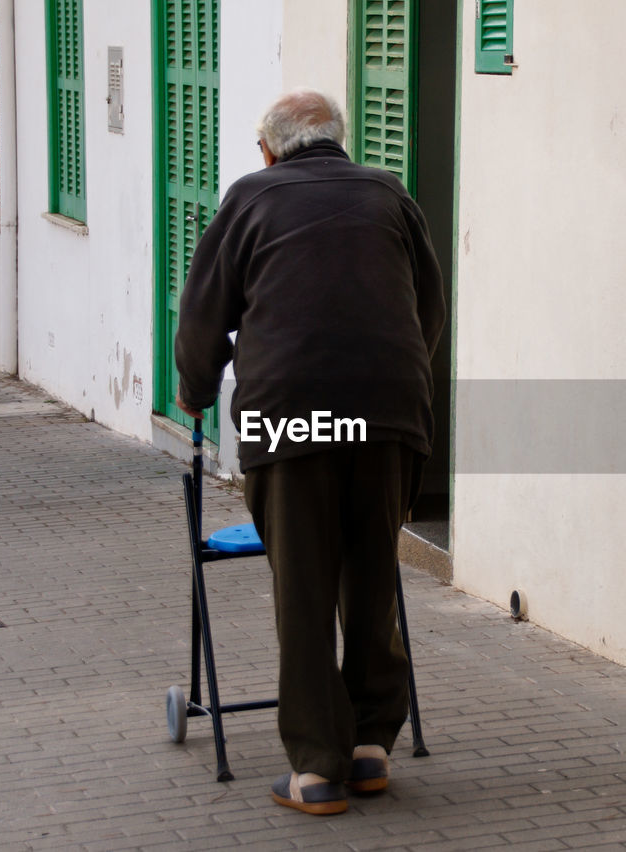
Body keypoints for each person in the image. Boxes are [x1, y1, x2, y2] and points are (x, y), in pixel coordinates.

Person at [173, 89, 445, 815]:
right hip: (387, 416)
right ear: (340, 142)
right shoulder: (390, 195)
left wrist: (194, 388)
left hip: (290, 417)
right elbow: (428, 308)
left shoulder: (251, 199)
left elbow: (204, 314)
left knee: (304, 585)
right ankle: (369, 750)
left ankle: (318, 769)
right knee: (370, 573)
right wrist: (397, 385)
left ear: (268, 148)